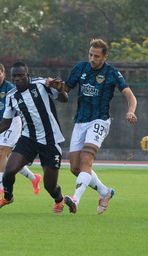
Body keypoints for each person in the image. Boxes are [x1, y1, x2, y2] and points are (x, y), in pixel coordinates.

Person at [47, 38, 137, 214]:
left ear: (105, 57)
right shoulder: (80, 68)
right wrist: (57, 85)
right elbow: (67, 88)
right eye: (90, 55)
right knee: (75, 168)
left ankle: (75, 199)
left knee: (86, 161)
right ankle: (105, 192)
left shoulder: (112, 73)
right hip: (80, 121)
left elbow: (130, 95)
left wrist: (131, 111)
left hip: (99, 120)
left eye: (96, 56)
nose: (92, 59)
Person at [0, 61, 69, 214]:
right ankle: (7, 197)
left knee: (50, 186)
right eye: (14, 76)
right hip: (28, 139)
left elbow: (64, 98)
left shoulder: (42, 84)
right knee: (9, 170)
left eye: (20, 75)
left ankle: (59, 200)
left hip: (50, 141)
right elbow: (5, 123)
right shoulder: (11, 96)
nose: (17, 79)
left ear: (27, 75)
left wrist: (60, 89)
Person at [0, 63, 41, 195]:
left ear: (3, 74)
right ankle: (34, 178)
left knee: (1, 153)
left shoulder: (10, 88)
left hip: (13, 122)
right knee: (10, 158)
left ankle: (1, 186)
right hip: (0, 125)